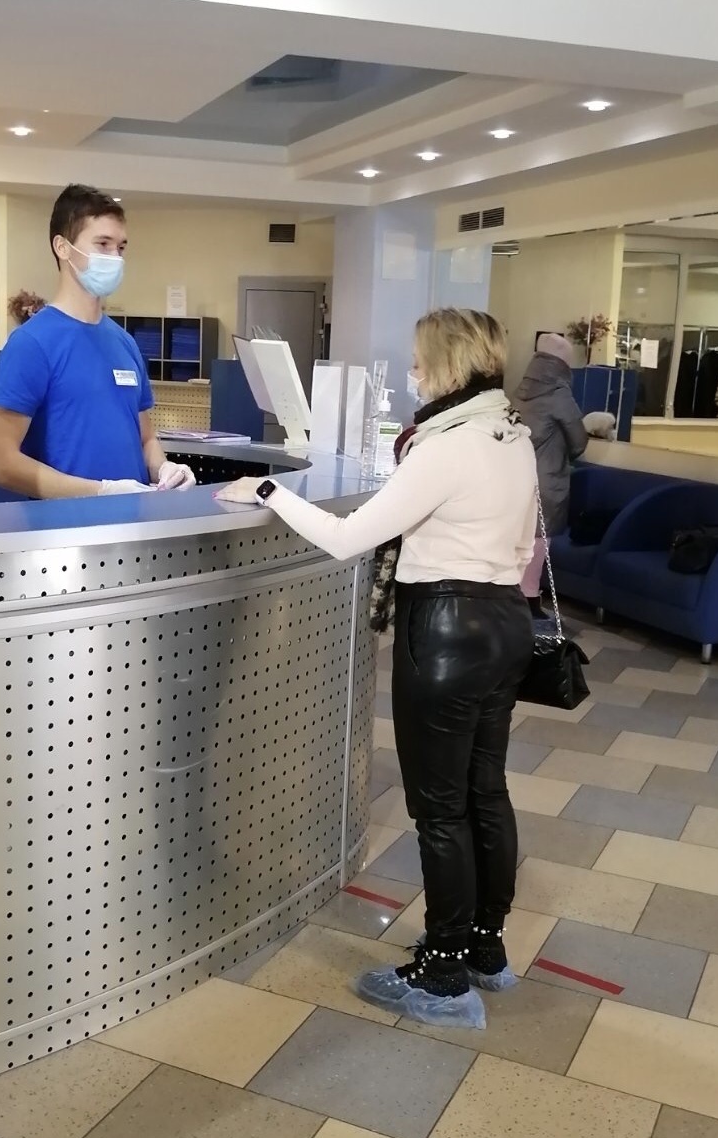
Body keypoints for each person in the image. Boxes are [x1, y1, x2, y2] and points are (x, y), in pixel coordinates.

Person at [216, 308, 536, 1029]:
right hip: (504, 625)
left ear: (450, 364)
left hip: (446, 632)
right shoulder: (511, 433)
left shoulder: (445, 445)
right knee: (485, 792)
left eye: (421, 360)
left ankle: (443, 974)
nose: (414, 372)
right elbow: (521, 548)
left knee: (440, 810)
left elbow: (348, 536)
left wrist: (267, 491)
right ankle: (485, 949)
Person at [0, 184, 196, 500]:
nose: (115, 257)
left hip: (134, 523)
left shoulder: (124, 343)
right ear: (63, 247)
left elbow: (145, 438)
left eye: (121, 247)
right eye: (103, 244)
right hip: (67, 527)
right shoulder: (32, 343)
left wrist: (164, 468)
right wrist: (99, 492)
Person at [512, 333, 588, 619]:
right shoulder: (559, 394)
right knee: (539, 541)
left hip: (516, 474)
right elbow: (579, 441)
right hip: (547, 479)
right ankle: (530, 598)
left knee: (519, 539)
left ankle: (514, 596)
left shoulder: (521, 388)